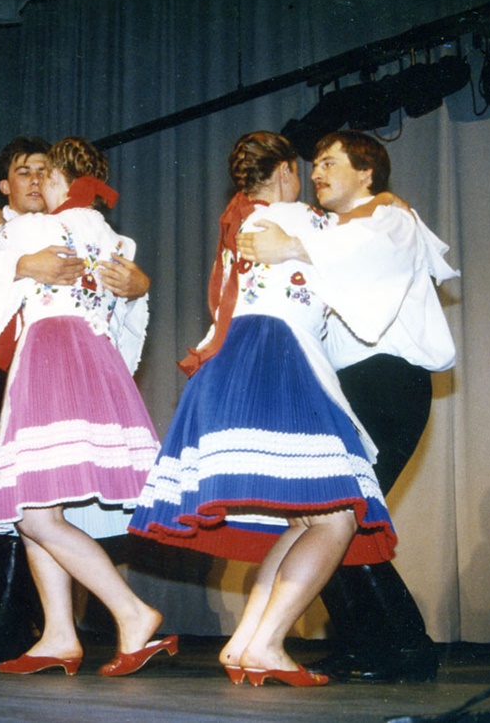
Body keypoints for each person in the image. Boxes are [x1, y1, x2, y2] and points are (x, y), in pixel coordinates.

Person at [130, 131, 399, 687]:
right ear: (283, 173)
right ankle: (269, 642)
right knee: (337, 515)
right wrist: (385, 202)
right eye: (302, 170)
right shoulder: (296, 219)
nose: (307, 182)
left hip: (241, 360)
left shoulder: (244, 223)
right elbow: (362, 241)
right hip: (279, 358)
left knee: (304, 519)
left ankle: (247, 642)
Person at [234, 130, 458, 682]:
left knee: (344, 510)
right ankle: (366, 642)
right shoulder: (325, 228)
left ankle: (405, 646)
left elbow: (367, 256)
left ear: (367, 172)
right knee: (325, 510)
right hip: (339, 384)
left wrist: (290, 247)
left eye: (331, 162)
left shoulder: (388, 220)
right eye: (313, 165)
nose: (316, 172)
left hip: (385, 381)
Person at [0, 135, 151, 671]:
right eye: (23, 172)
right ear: (7, 184)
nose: (35, 179)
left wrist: (136, 284)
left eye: (44, 170)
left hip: (48, 365)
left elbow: (120, 289)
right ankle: (44, 629)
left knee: (30, 503)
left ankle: (34, 628)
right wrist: (20, 262)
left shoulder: (38, 226)